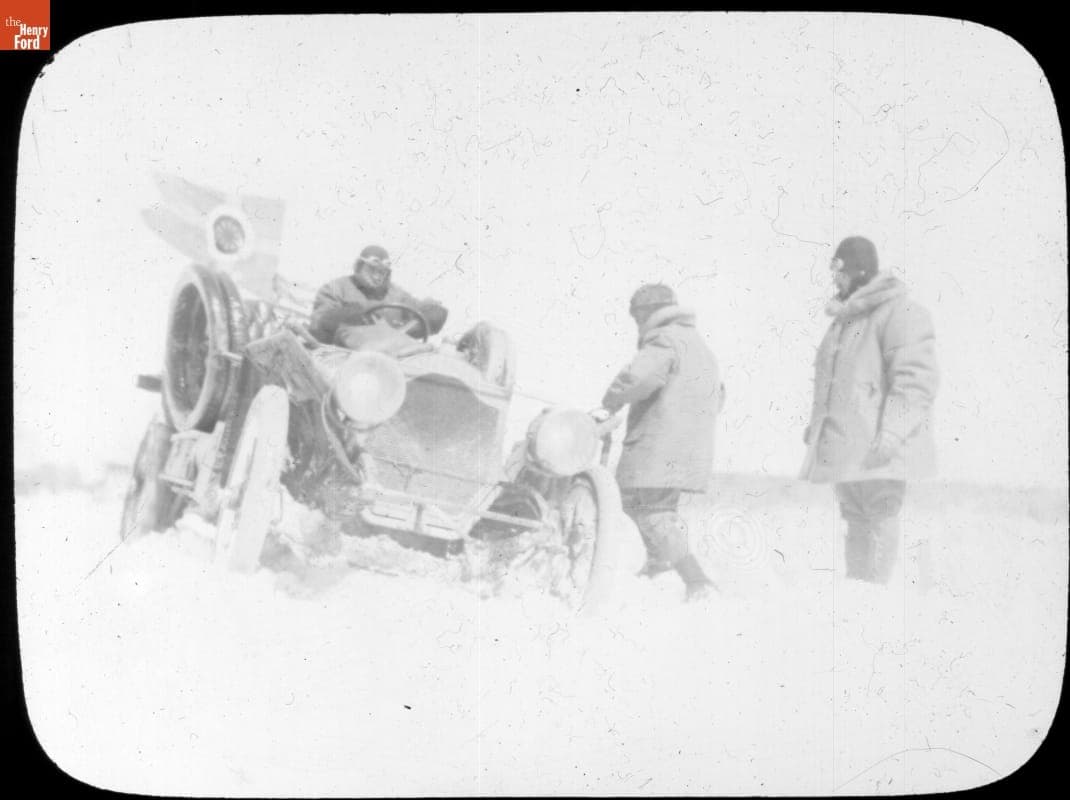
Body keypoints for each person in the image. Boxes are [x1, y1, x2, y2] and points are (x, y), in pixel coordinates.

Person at [800, 236, 939, 584]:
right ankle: (858, 595)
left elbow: (915, 380)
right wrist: (817, 427)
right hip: (851, 446)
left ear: (859, 271)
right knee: (856, 518)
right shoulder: (846, 321)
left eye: (840, 270)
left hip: (881, 447)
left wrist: (893, 432)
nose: (835, 279)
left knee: (878, 514)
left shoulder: (899, 313)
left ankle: (875, 597)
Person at [599, 283, 726, 601]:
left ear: (646, 313)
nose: (637, 325)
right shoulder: (700, 347)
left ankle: (697, 582)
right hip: (688, 450)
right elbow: (718, 396)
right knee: (648, 509)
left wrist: (609, 402)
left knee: (650, 512)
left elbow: (638, 378)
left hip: (658, 449)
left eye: (637, 317)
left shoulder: (665, 340)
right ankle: (656, 569)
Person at [309, 245, 448, 348]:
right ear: (359, 266)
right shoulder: (336, 288)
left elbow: (418, 309)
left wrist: (432, 311)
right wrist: (353, 312)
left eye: (382, 272)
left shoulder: (397, 294)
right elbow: (318, 323)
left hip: (390, 357)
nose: (377, 276)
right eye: (371, 270)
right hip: (343, 355)